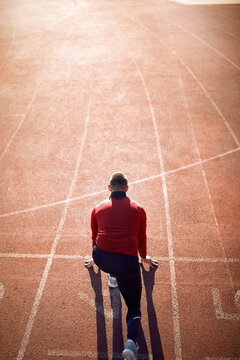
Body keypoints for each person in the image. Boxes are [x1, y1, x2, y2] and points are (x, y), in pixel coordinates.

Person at [85, 172, 158, 360]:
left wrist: (95, 259)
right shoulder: (138, 208)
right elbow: (141, 237)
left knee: (111, 264)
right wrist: (143, 257)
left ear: (109, 188)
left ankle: (112, 275)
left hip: (102, 258)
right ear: (127, 188)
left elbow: (95, 237)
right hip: (127, 262)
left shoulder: (97, 208)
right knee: (134, 307)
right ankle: (130, 344)